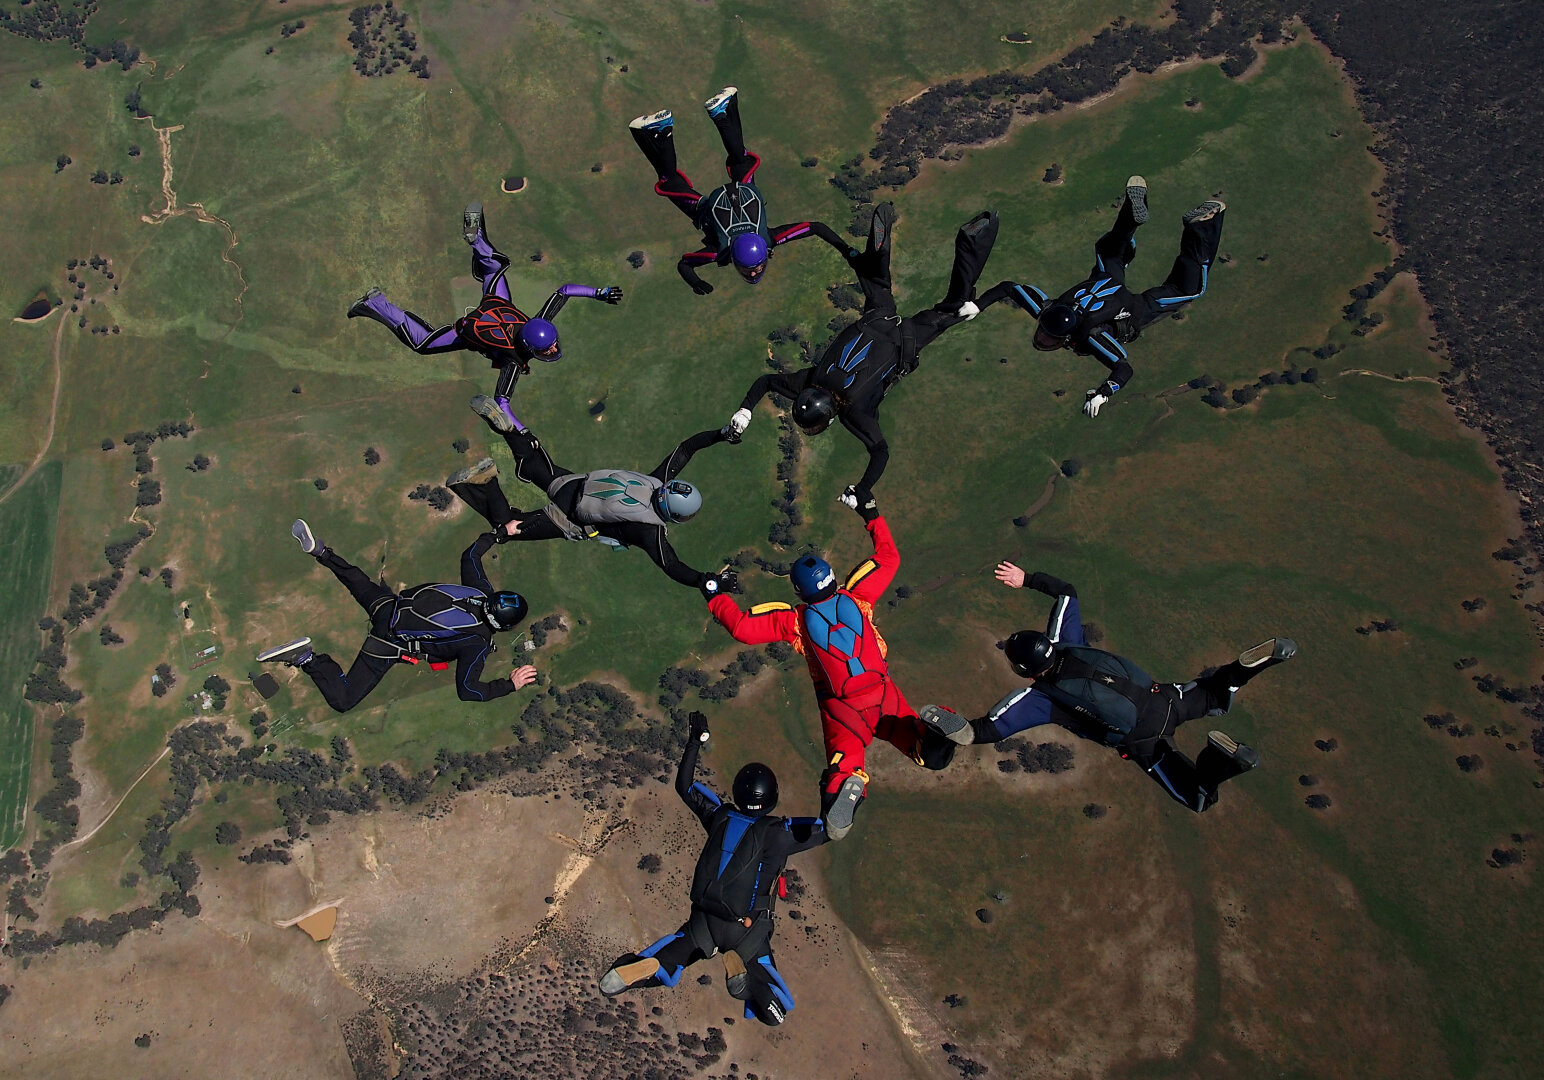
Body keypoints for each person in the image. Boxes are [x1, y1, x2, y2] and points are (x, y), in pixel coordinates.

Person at [926, 561, 1293, 813]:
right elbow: (1067, 593)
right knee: (1214, 691)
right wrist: (1027, 579)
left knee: (1197, 798)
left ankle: (1222, 761)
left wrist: (951, 728)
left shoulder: (1041, 697)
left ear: (1025, 672)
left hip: (1145, 740)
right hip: (1164, 698)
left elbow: (987, 729)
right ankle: (1250, 667)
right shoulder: (1066, 641)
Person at [701, 490, 961, 838]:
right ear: (833, 577)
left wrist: (715, 596)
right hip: (884, 694)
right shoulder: (858, 596)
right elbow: (889, 557)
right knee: (911, 734)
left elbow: (742, 628)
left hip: (843, 708)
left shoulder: (795, 620)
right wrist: (871, 515)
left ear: (798, 591)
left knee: (845, 760)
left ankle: (848, 782)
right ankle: (932, 735)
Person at [723, 202, 998, 502]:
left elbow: (880, 452)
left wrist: (863, 489)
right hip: (876, 318)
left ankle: (971, 240)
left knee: (958, 305)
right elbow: (766, 382)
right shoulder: (808, 381)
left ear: (829, 416)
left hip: (905, 340)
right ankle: (879, 251)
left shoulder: (853, 413)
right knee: (875, 277)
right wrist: (744, 410)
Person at [600, 710, 824, 1026]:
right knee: (775, 1009)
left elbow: (685, 785)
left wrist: (695, 741)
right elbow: (828, 828)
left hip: (702, 922)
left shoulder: (719, 816)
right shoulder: (777, 833)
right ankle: (744, 979)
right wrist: (845, 794)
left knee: (672, 958)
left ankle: (648, 965)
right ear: (772, 797)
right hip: (744, 930)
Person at [346, 203, 622, 431]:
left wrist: (600, 292)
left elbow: (564, 291)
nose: (551, 348)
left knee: (494, 272)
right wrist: (522, 431)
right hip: (467, 330)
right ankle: (374, 303)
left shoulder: (539, 322)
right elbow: (502, 402)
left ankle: (477, 238)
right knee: (422, 343)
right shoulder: (514, 362)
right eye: (547, 347)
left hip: (495, 305)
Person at [976, 176, 1224, 418]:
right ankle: (1131, 213)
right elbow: (1010, 288)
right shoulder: (1047, 309)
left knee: (1188, 290)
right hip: (1106, 281)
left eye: (1046, 338)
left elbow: (1124, 369)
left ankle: (1200, 227)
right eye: (1045, 338)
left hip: (1133, 311)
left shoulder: (1091, 337)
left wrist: (1103, 394)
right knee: (1111, 251)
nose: (1044, 338)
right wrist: (977, 305)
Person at [255, 518, 537, 712]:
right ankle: (308, 659)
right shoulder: (477, 642)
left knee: (358, 581)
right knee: (344, 699)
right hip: (389, 642)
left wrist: (501, 533)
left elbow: (470, 556)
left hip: (389, 605)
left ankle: (322, 552)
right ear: (505, 626)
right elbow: (468, 691)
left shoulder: (479, 590)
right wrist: (509, 686)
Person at [451, 408, 736, 592]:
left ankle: (513, 433)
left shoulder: (658, 481)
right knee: (506, 526)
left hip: (575, 483)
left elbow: (687, 448)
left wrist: (722, 434)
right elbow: (672, 566)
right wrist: (705, 581)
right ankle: (485, 481)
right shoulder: (650, 530)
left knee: (533, 466)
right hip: (567, 518)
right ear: (673, 514)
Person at [629, 86, 825, 294]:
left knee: (740, 159)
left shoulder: (770, 238)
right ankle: (663, 131)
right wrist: (695, 283)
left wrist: (847, 252)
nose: (752, 273)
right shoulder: (717, 253)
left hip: (740, 192)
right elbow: (685, 265)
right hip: (706, 209)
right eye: (755, 270)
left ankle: (721, 112)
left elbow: (815, 227)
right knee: (670, 183)